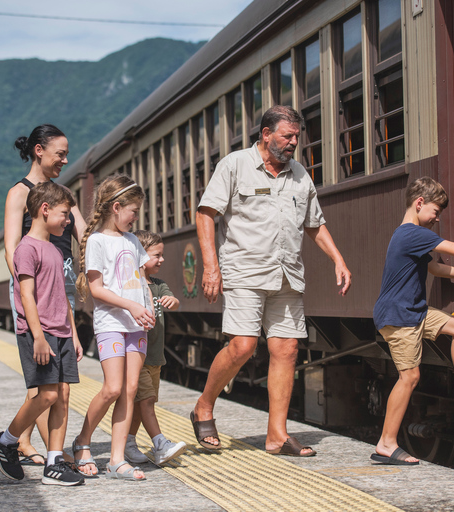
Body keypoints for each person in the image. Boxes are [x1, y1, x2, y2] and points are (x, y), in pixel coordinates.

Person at [191, 105, 351, 456]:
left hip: (287, 273)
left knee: (287, 349)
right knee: (243, 346)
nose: (294, 142)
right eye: (287, 136)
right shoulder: (234, 165)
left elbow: (314, 223)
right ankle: (204, 406)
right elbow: (205, 215)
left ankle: (277, 435)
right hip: (245, 270)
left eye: (297, 136)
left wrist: (337, 258)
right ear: (266, 134)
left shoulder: (300, 175)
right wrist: (210, 267)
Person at [370, 177, 454, 465]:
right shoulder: (410, 233)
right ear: (419, 203)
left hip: (414, 310)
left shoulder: (409, 236)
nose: (437, 218)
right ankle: (385, 443)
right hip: (398, 315)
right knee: (410, 377)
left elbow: (434, 267)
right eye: (435, 211)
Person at [0, 182, 84, 485]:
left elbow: (62, 297)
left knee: (62, 396)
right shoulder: (26, 250)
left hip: (62, 332)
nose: (68, 221)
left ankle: (55, 463)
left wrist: (75, 334)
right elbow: (26, 296)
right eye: (64, 215)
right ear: (45, 210)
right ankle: (5, 440)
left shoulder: (54, 251)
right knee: (48, 395)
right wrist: (39, 336)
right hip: (39, 333)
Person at [4, 124, 87, 466]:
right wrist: (31, 292)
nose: (65, 160)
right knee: (46, 375)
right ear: (39, 150)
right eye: (60, 154)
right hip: (33, 289)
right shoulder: (19, 193)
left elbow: (84, 234)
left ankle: (23, 439)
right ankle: (40, 447)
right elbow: (11, 248)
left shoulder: (62, 194)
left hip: (61, 286)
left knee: (50, 378)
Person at [72, 175, 155, 481]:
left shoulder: (132, 241)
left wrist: (148, 306)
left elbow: (142, 279)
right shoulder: (96, 241)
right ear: (116, 207)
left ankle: (116, 460)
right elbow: (97, 289)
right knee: (113, 388)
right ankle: (83, 441)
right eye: (133, 211)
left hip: (136, 326)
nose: (136, 218)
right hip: (111, 323)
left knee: (130, 390)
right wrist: (132, 306)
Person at [124, 231, 187, 465]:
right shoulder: (130, 287)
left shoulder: (159, 285)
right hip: (136, 355)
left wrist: (174, 301)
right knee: (147, 399)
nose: (161, 260)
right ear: (139, 255)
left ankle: (129, 443)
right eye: (156, 255)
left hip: (155, 358)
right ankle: (160, 444)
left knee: (144, 403)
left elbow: (174, 299)